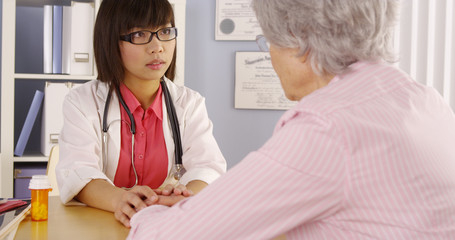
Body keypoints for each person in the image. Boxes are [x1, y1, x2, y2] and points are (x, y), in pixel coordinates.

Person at [127, 0, 455, 239]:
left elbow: (171, 236)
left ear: (299, 39)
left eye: (269, 41)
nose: (269, 54)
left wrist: (150, 210)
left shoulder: (327, 128)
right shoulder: (424, 100)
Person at [55, 0, 226, 228]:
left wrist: (183, 199)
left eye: (165, 31)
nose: (157, 47)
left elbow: (209, 167)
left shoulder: (189, 104)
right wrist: (121, 200)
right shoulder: (82, 102)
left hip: (169, 226)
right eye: (139, 34)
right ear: (111, 41)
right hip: (103, 226)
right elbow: (77, 171)